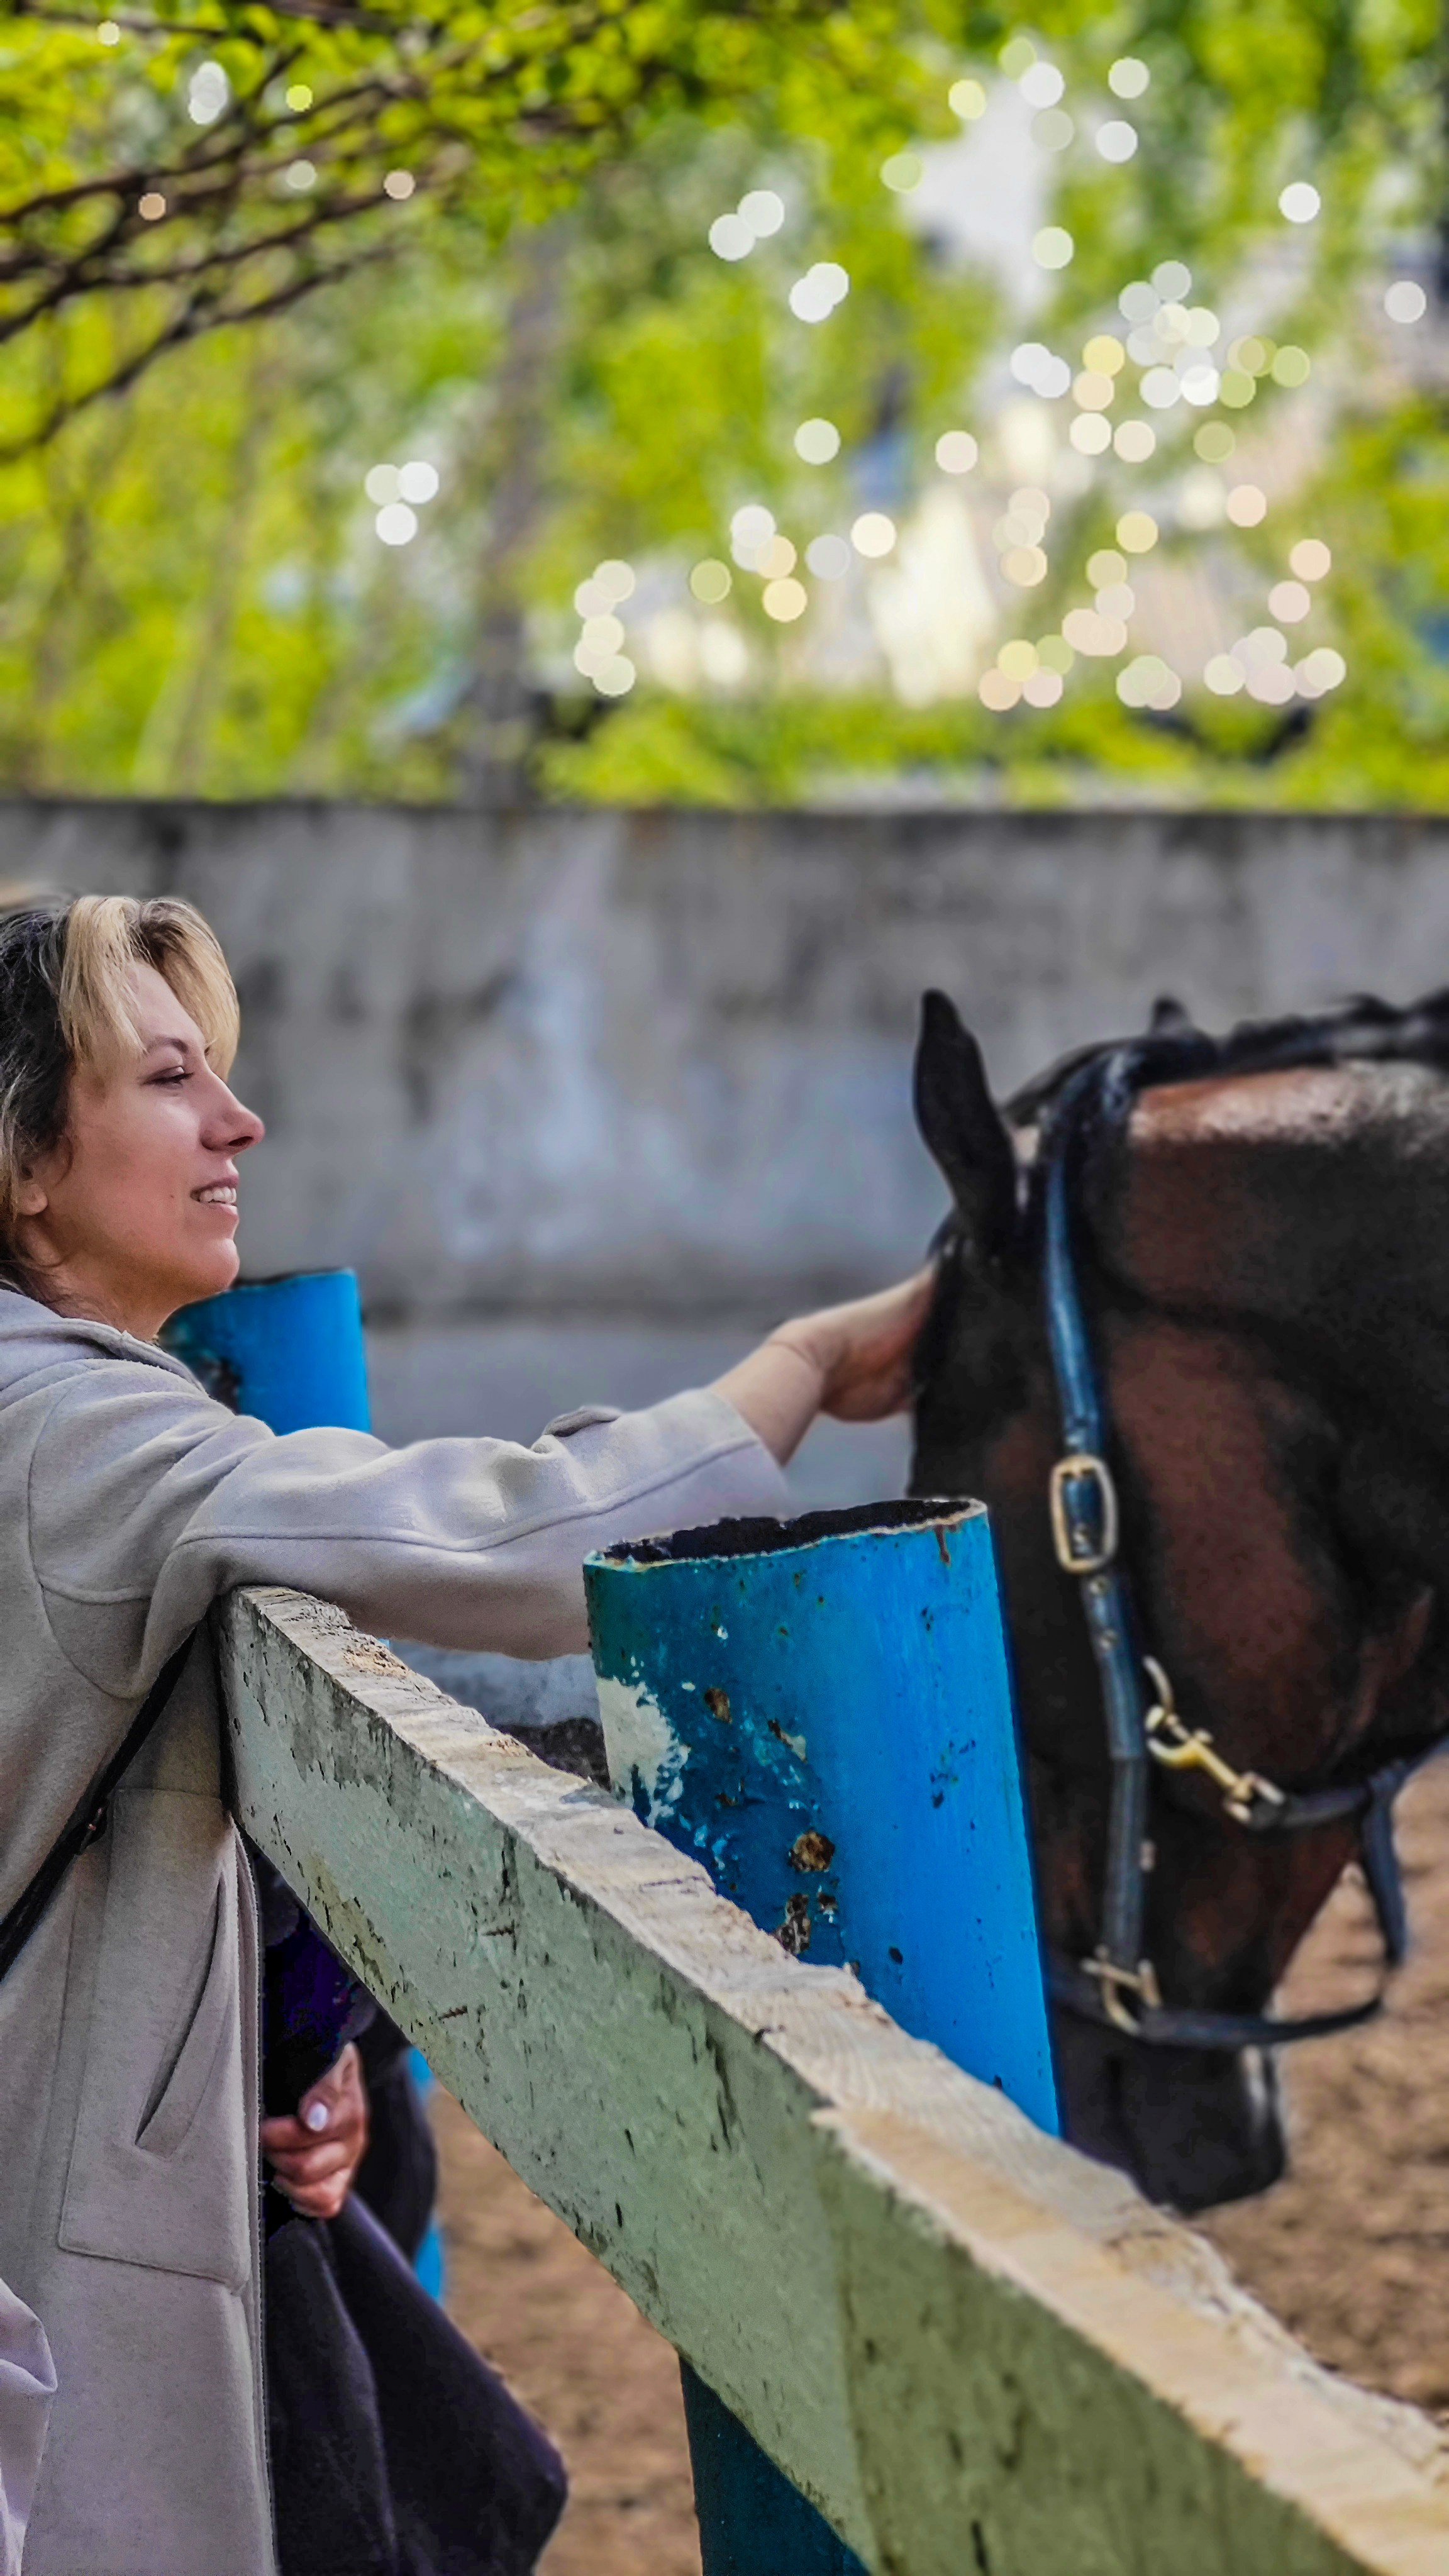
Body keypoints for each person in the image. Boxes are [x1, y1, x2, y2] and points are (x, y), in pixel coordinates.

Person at [0, 891, 930, 2576]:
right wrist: (793, 1367)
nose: (241, 1120)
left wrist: (263, 2082)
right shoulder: (62, 1438)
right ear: (22, 1164)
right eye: (166, 1080)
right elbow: (506, 1537)